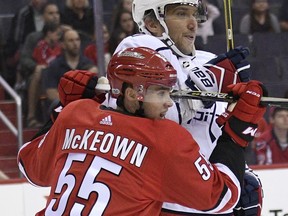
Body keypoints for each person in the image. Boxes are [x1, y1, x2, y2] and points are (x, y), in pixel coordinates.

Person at [17, 46, 267, 215]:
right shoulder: (164, 138)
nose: (169, 102)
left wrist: (61, 108)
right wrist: (238, 129)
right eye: (160, 91)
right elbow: (222, 196)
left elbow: (30, 169)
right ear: (131, 93)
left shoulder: (77, 114)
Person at [113, 0, 264, 215]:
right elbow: (160, 120)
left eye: (195, 15)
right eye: (182, 14)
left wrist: (240, 171)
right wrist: (206, 82)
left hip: (209, 198)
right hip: (160, 203)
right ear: (152, 23)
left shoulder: (211, 61)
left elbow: (217, 132)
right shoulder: (135, 50)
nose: (193, 24)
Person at [43, 29, 97, 105]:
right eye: (71, 41)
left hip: (84, 106)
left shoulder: (89, 64)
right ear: (63, 45)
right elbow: (51, 93)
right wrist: (71, 104)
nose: (75, 43)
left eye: (77, 40)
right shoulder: (54, 65)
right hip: (62, 106)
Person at [26, 22, 62, 128]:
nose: (58, 37)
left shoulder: (59, 46)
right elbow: (42, 64)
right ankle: (31, 116)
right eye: (56, 34)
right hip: (45, 77)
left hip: (57, 76)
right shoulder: (41, 45)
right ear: (49, 33)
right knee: (39, 71)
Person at [3, 0, 47, 87]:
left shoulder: (52, 11)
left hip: (49, 52)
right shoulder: (24, 14)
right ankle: (20, 85)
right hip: (27, 51)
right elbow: (17, 39)